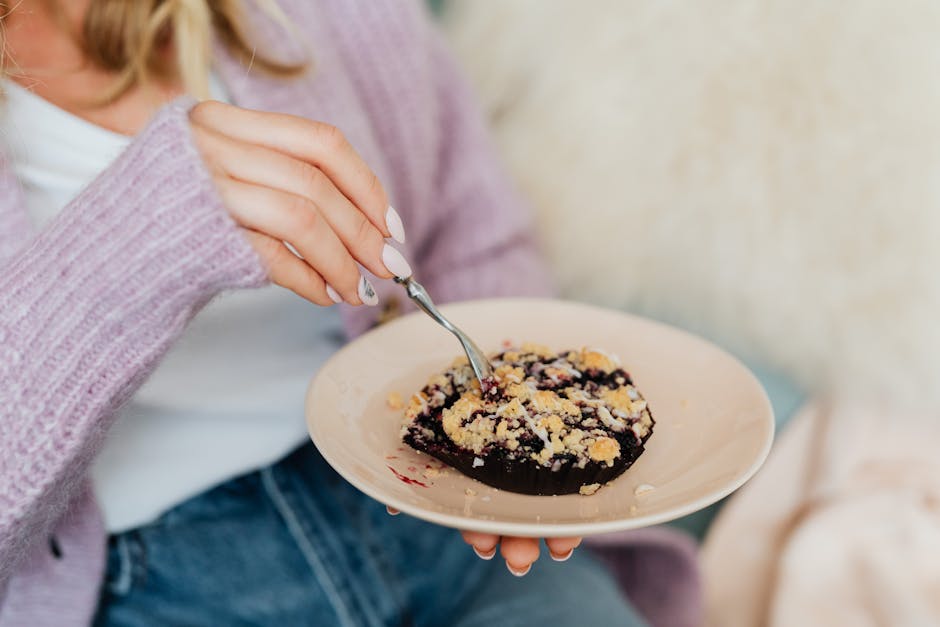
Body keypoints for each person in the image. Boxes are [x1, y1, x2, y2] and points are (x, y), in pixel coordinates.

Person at [0, 1, 647, 625]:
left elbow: (471, 238)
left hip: (432, 509)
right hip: (147, 578)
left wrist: (511, 432)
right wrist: (121, 247)